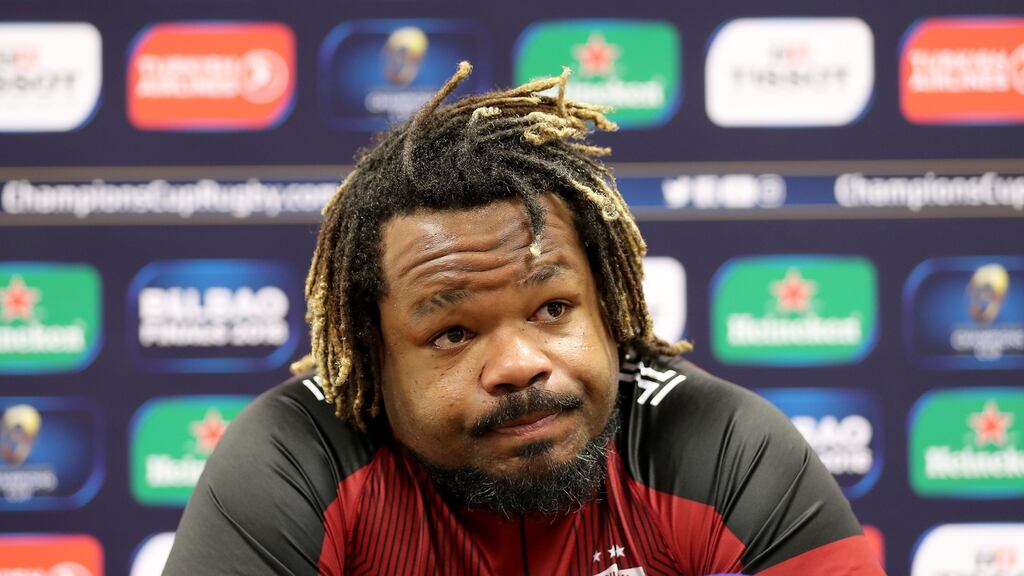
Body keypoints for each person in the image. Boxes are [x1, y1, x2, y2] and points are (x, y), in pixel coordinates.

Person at [164, 63, 885, 576]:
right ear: (374, 356)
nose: (518, 364)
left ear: (609, 305)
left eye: (552, 309)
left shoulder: (721, 450)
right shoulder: (297, 460)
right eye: (452, 333)